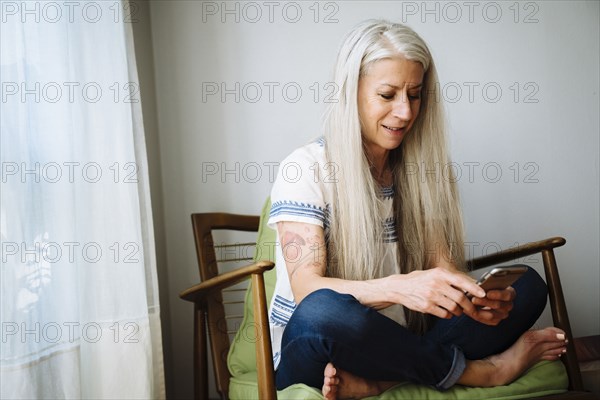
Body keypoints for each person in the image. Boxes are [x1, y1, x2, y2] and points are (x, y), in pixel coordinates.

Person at [266, 19, 567, 399]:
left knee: (526, 285)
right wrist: (402, 288)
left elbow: (442, 267)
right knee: (322, 310)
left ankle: (384, 381)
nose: (406, 112)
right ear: (350, 93)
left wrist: (472, 300)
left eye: (415, 94)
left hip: (400, 344)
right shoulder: (305, 168)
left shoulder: (423, 171)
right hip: (317, 349)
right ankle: (483, 372)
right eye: (388, 94)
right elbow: (306, 289)